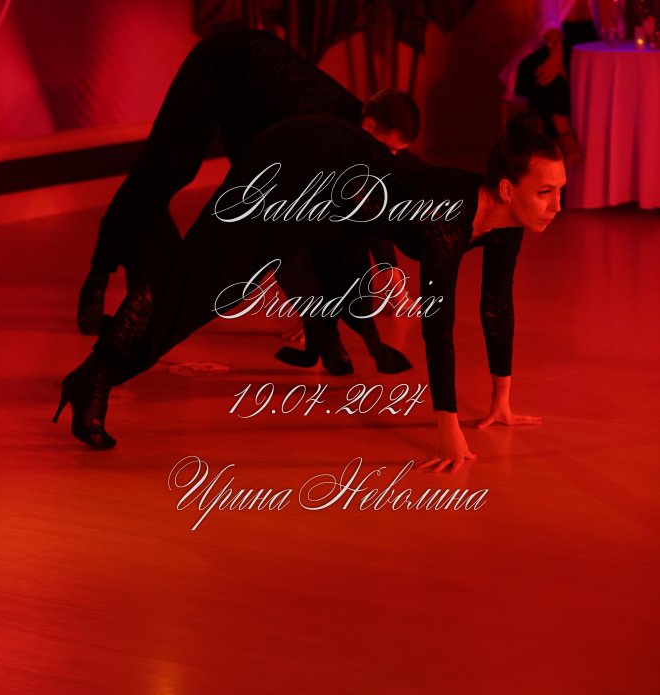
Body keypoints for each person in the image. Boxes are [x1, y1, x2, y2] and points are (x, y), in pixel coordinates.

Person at [54, 112, 564, 472]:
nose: (556, 205)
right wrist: (447, 428)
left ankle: (93, 378)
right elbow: (438, 326)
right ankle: (95, 376)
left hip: (340, 187)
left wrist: (501, 400)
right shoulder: (447, 220)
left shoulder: (506, 220)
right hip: (301, 162)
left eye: (558, 190)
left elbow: (496, 303)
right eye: (546, 192)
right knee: (207, 278)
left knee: (223, 283)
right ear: (506, 189)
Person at [77, 30, 419, 374]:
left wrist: (390, 273)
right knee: (161, 172)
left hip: (252, 103)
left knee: (286, 218)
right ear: (369, 125)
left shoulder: (357, 135)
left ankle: (321, 330)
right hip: (218, 62)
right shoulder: (326, 128)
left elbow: (360, 210)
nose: (390, 157)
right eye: (389, 148)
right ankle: (98, 277)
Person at [500, 0, 625, 166]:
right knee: (545, 70)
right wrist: (556, 52)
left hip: (587, 64)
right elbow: (546, 18)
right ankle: (565, 140)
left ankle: (552, 152)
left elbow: (614, 35)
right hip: (547, 51)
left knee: (557, 77)